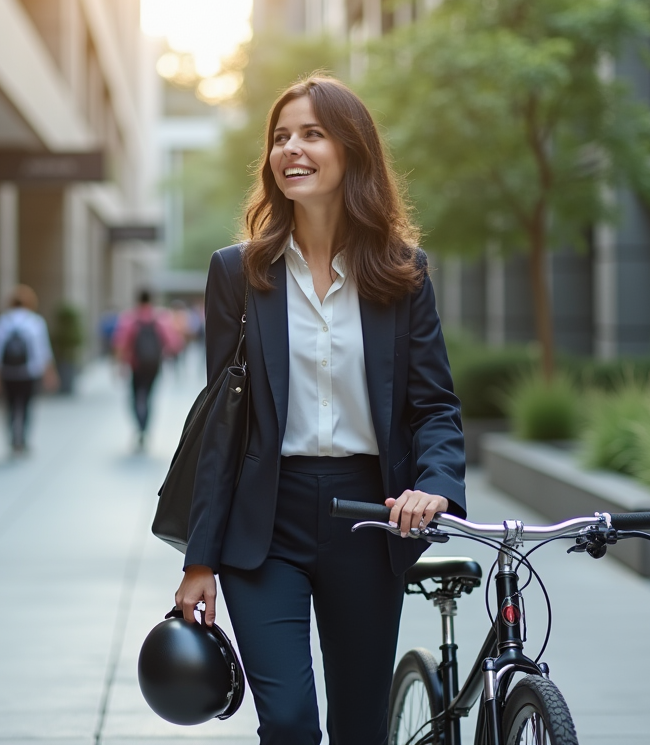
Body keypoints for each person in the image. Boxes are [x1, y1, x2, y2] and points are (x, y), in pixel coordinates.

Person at [174, 74, 467, 744]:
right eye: (281, 137)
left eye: (312, 134)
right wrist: (198, 560)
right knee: (289, 721)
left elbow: (434, 404)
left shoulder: (402, 273)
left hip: (369, 518)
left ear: (352, 152)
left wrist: (435, 487)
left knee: (360, 727)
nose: (291, 149)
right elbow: (224, 422)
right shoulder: (238, 274)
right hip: (264, 524)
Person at [0, 285, 58, 455]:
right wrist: (50, 373)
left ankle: (12, 439)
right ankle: (23, 440)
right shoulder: (35, 322)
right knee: (26, 406)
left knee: (10, 406)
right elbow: (43, 350)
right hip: (30, 372)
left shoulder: (1, 322)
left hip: (8, 372)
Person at [113, 289, 183, 450]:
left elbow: (120, 343)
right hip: (154, 365)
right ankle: (145, 429)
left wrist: (118, 365)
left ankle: (140, 426)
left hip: (136, 366)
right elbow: (174, 343)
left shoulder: (129, 318)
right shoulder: (161, 318)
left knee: (135, 397)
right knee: (149, 397)